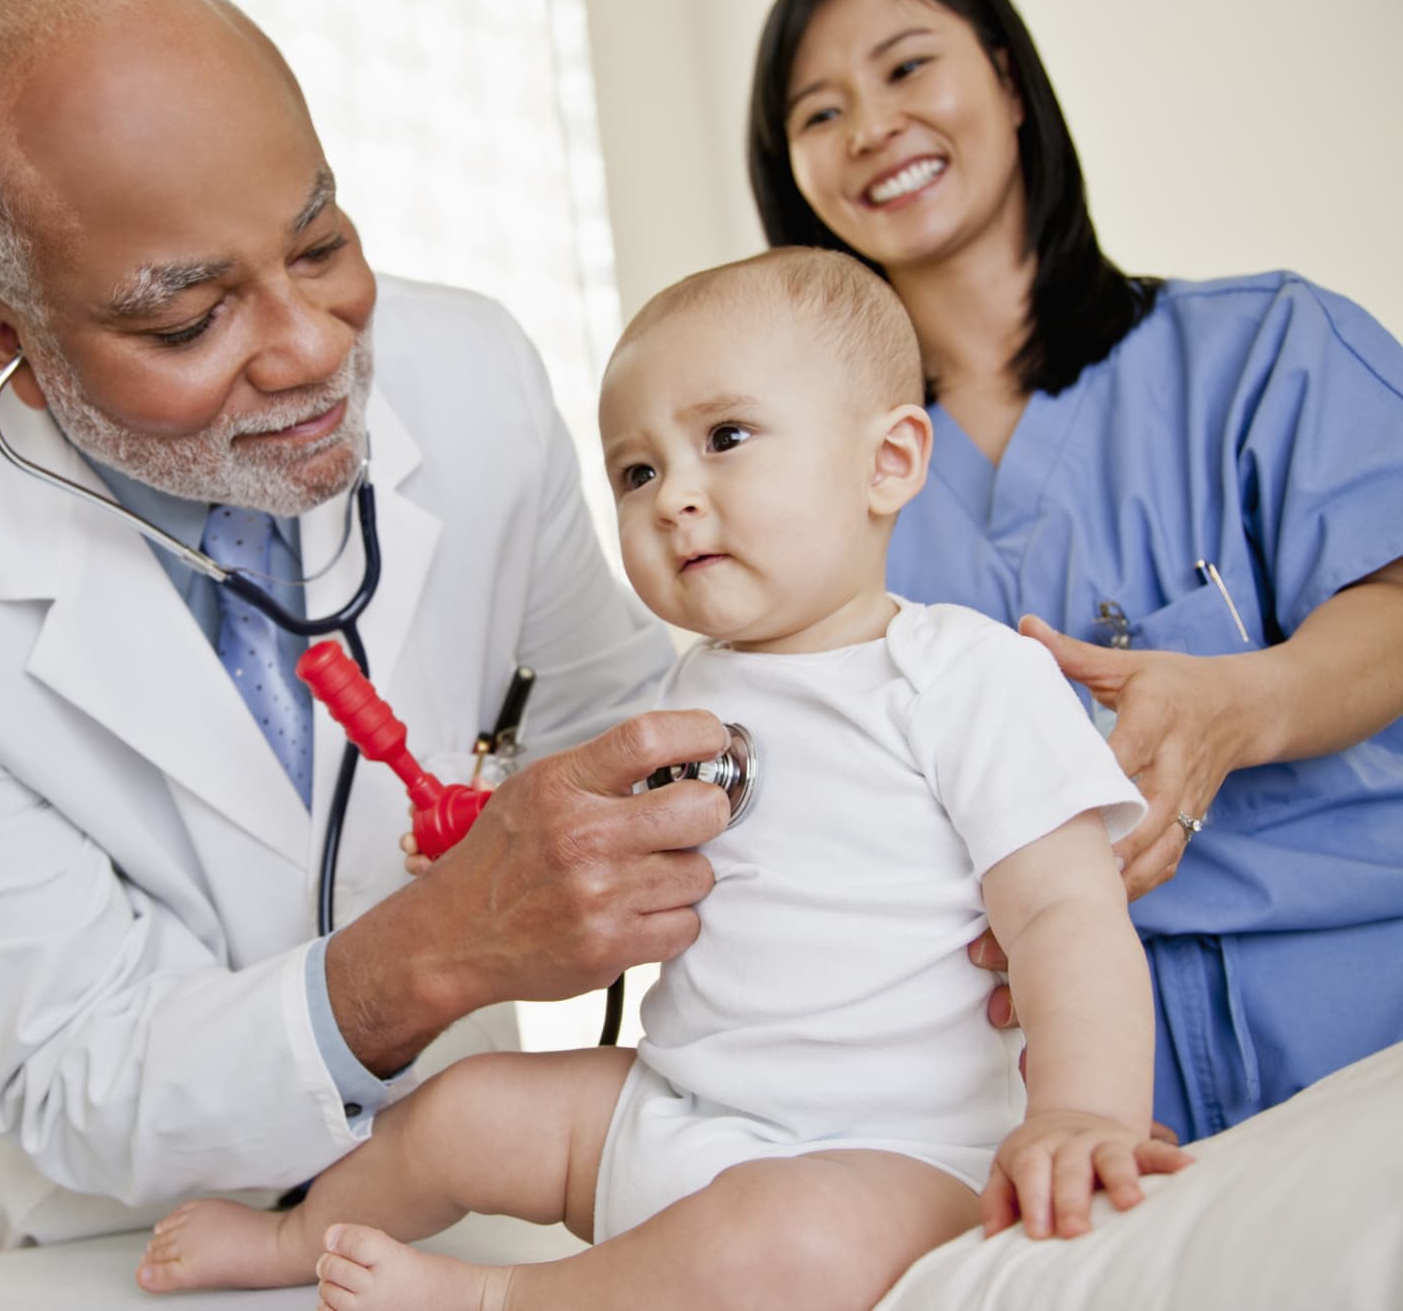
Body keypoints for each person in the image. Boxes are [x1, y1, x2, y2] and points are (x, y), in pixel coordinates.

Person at [0, 0, 735, 1238]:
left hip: (457, 1170)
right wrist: (441, 945)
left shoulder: (472, 378)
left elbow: (625, 731)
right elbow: (72, 1061)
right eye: (189, 318)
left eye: (320, 242)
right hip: (127, 1217)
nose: (313, 347)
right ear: (5, 332)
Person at [134, 250, 1191, 1311]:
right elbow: (602, 855)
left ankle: (501, 1298)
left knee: (785, 1245)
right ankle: (298, 1237)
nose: (673, 497)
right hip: (670, 1105)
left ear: (888, 462)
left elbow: (1065, 912)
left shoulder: (961, 675)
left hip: (891, 1161)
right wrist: (488, 849)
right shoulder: (684, 692)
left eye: (723, 439)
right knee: (467, 1107)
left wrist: (1078, 1113)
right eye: (635, 472)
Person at [746, 0, 1403, 1145]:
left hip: (1361, 1021)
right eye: (817, 113)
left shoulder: (1263, 351)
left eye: (903, 69)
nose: (870, 129)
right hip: (1030, 1100)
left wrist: (1235, 708)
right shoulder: (796, 495)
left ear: (1005, 76)